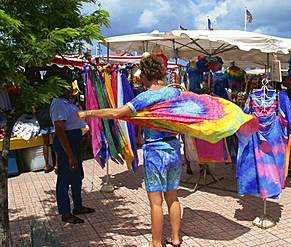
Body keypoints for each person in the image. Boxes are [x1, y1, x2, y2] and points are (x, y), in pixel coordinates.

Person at [75, 55, 182, 247]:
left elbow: (116, 113)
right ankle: (175, 238)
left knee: (156, 202)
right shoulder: (174, 93)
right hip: (174, 149)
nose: (139, 79)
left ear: (146, 75)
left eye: (140, 75)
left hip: (155, 152)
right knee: (172, 197)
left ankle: (156, 243)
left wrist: (88, 112)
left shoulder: (144, 97)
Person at [50, 77, 95, 224]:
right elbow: (60, 131)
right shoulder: (58, 104)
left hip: (75, 140)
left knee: (77, 176)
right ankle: (65, 213)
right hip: (66, 142)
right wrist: (70, 155)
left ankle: (78, 206)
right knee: (64, 178)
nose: (71, 90)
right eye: (67, 88)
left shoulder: (68, 102)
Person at [33, 100, 56, 173]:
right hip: (52, 119)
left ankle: (47, 165)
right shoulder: (51, 95)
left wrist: (39, 120)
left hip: (42, 119)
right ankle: (57, 165)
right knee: (56, 142)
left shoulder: (36, 98)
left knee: (46, 143)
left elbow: (34, 112)